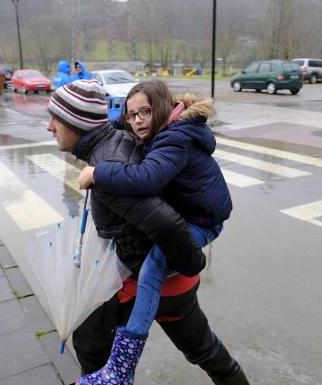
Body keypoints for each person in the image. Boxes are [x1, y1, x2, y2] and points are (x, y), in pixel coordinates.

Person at [46, 80, 249, 385]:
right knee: (205, 350)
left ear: (75, 124)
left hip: (147, 280)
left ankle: (118, 370)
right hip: (175, 283)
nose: (49, 127)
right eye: (131, 114)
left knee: (92, 349)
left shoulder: (110, 166)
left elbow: (164, 222)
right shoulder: (120, 135)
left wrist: (193, 261)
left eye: (56, 119)